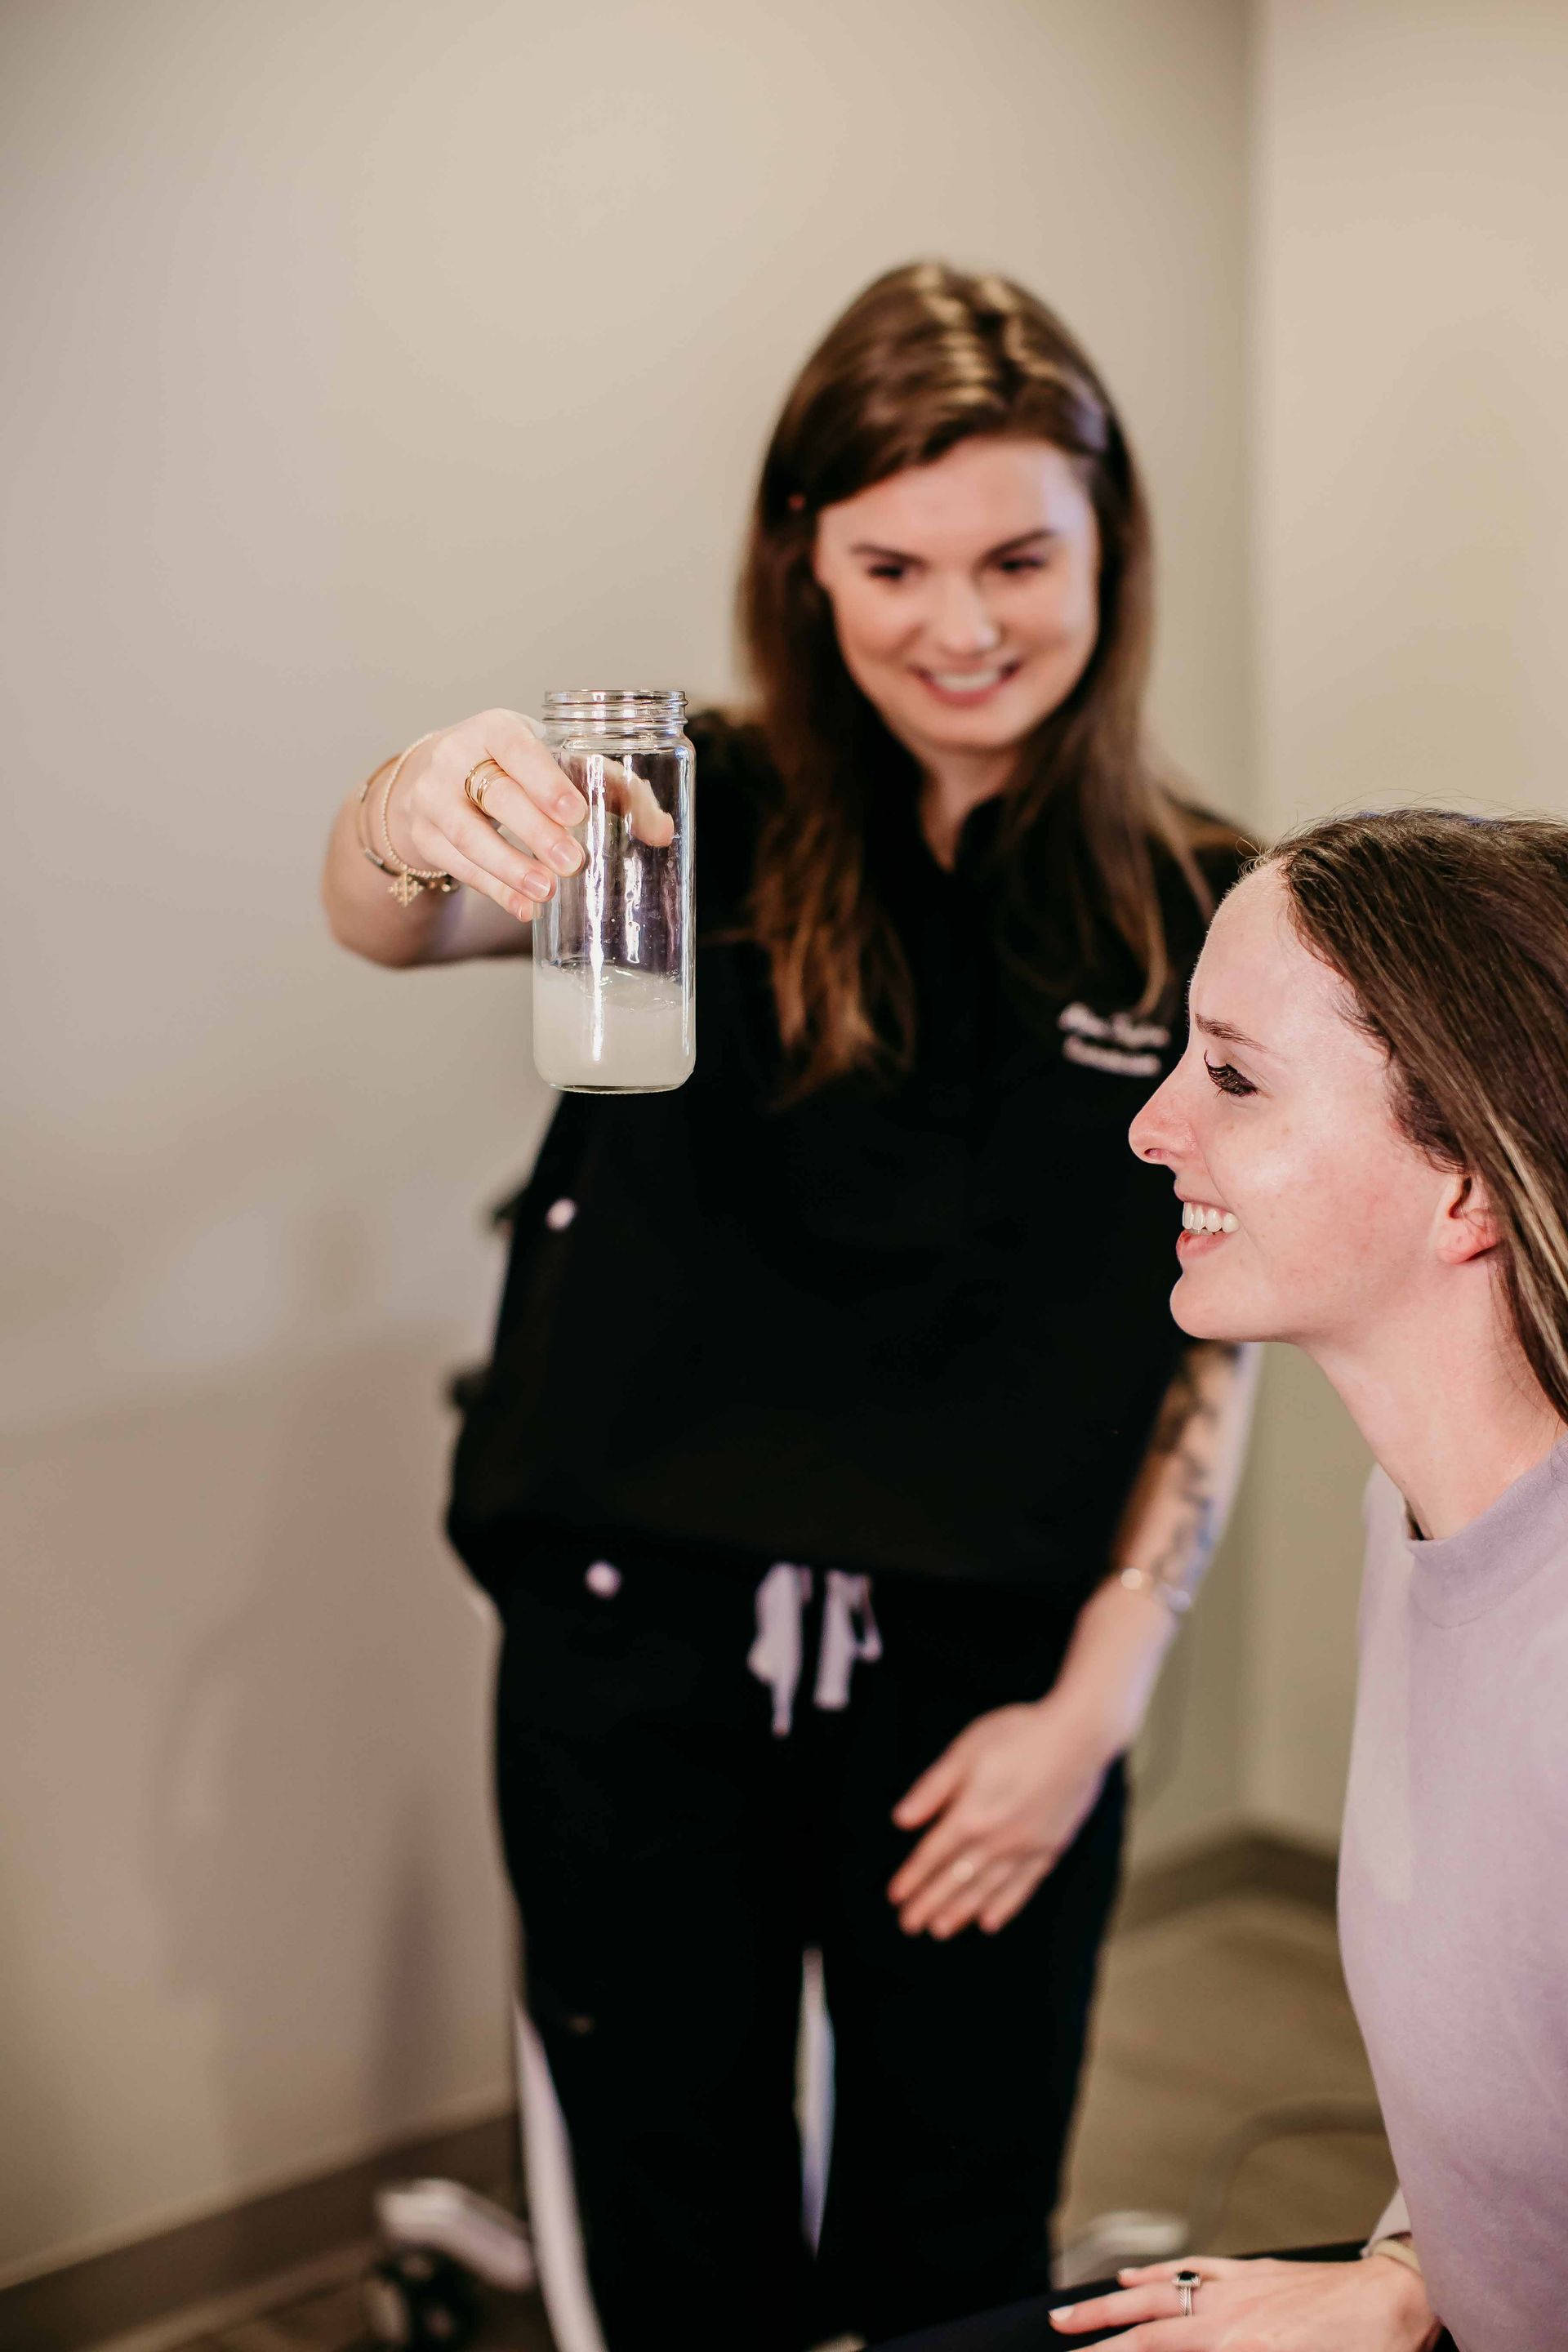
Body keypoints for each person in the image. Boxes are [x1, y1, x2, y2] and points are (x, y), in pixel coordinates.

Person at [322, 261, 1257, 2351]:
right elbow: (395, 923)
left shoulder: (1206, 901)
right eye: (893, 562)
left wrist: (1101, 1700)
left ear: (1112, 550)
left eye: (1022, 556)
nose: (964, 623)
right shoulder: (679, 818)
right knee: (668, 2251)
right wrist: (405, 805)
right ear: (805, 563)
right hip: (634, 1670)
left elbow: (1224, 1324)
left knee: (961, 2241)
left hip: (988, 1697)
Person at [899, 808, 1568, 2350]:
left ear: (1466, 1182)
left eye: (1236, 1077)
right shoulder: (1414, 1518)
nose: (1149, 1126)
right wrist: (1411, 2280)